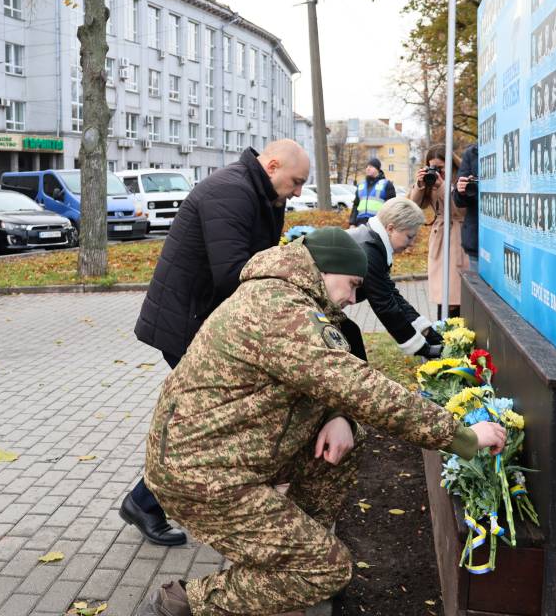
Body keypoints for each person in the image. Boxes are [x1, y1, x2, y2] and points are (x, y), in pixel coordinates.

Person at [136, 228, 506, 616]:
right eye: (351, 285)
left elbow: (322, 377)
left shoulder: (284, 295)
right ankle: (179, 603)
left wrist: (337, 415)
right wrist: (462, 437)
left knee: (349, 439)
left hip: (226, 456)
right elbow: (363, 389)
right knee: (328, 570)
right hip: (201, 475)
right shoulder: (281, 309)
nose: (351, 298)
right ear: (325, 270)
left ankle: (287, 551)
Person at [127, 140, 310, 546]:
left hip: (204, 321)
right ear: (273, 165)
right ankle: (149, 500)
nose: (298, 192)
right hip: (185, 324)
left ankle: (146, 500)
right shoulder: (231, 191)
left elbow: (257, 259)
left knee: (211, 420)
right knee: (213, 420)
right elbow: (233, 272)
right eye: (296, 182)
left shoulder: (261, 194)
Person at [349, 197, 444, 357]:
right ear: (390, 228)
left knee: (351, 335)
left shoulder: (373, 244)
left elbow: (392, 294)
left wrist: (426, 331)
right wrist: (422, 348)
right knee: (350, 339)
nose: (412, 243)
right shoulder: (369, 252)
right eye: (409, 236)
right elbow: (384, 306)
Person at [411, 146, 469, 320]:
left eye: (440, 168)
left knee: (453, 294)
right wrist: (420, 185)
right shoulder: (431, 180)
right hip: (440, 239)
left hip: (457, 237)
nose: (437, 172)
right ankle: (443, 330)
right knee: (442, 294)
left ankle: (453, 332)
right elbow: (415, 206)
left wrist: (443, 185)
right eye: (432, 167)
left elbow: (460, 211)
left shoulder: (461, 179)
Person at [453, 143, 480, 271]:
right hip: (477, 239)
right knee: (480, 288)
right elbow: (458, 200)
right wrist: (462, 190)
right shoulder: (472, 153)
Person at [348, 158, 396, 226]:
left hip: (378, 224)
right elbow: (356, 205)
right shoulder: (361, 185)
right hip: (360, 224)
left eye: (371, 166)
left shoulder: (387, 185)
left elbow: (392, 207)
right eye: (367, 167)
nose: (368, 168)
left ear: (377, 169)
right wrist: (352, 223)